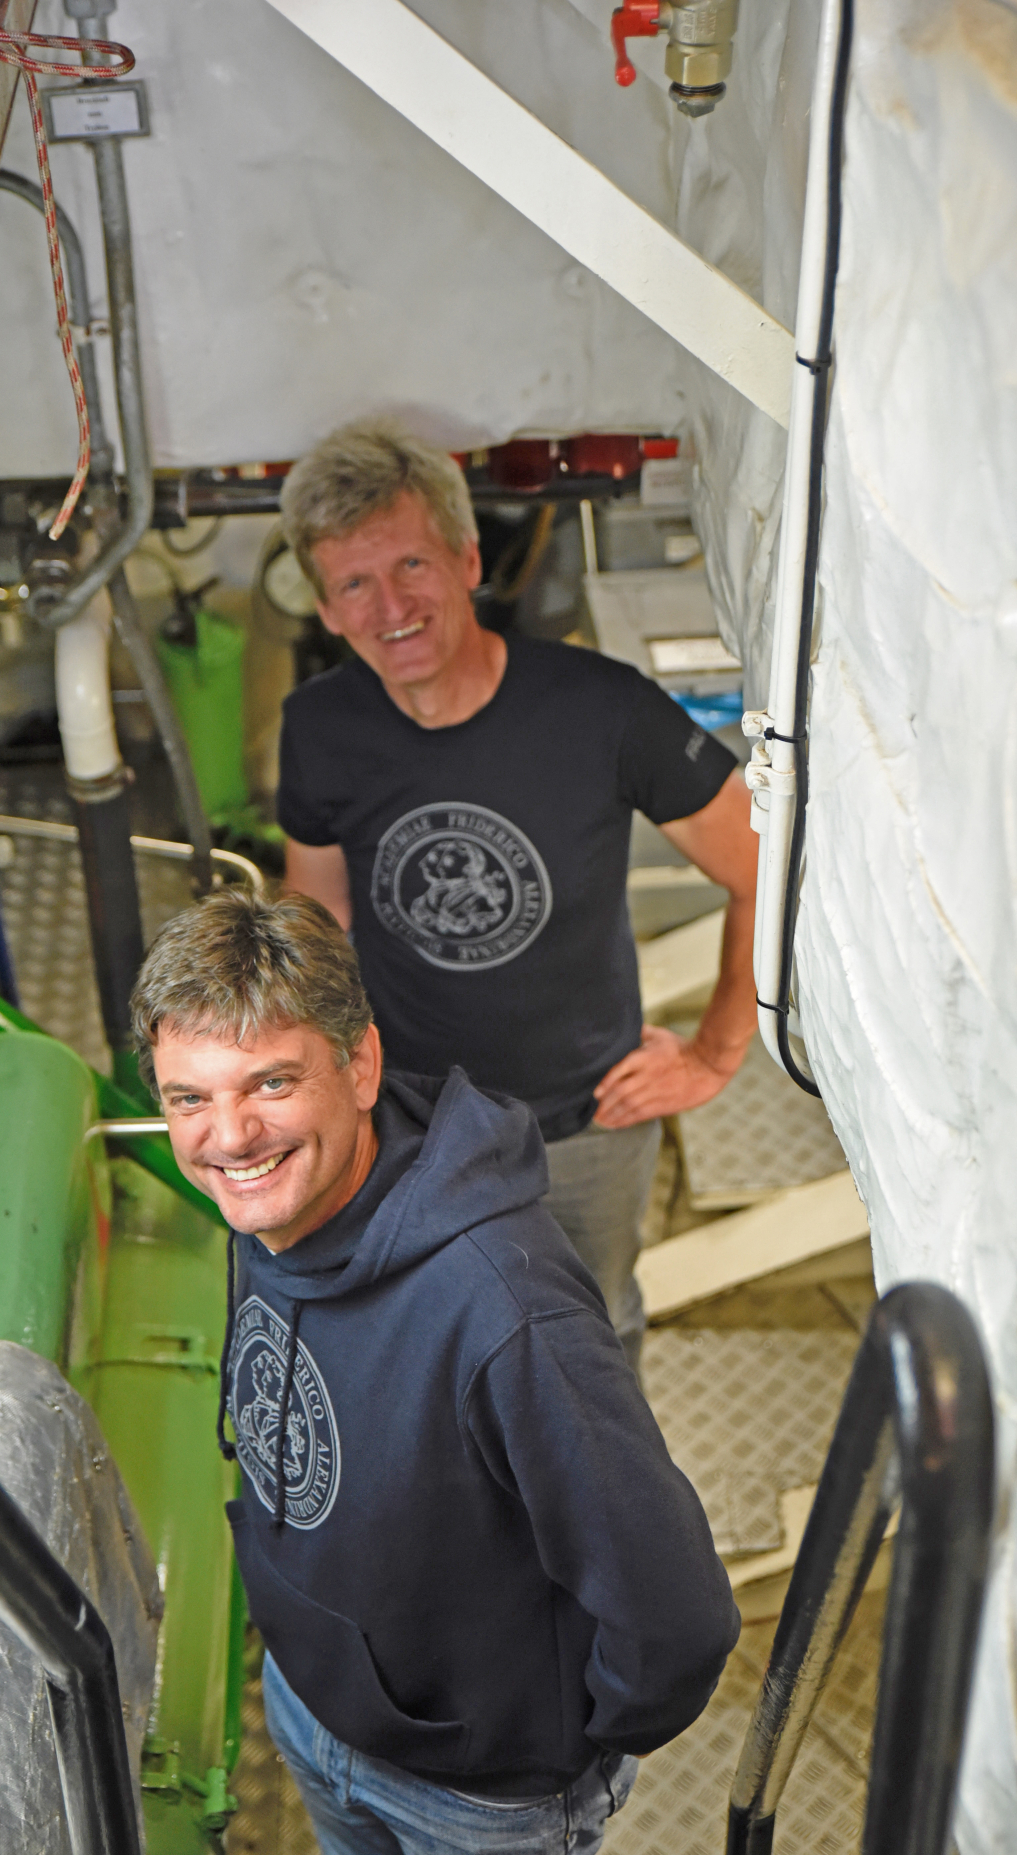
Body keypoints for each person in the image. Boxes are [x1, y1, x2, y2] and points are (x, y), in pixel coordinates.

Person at [131, 890, 740, 1855]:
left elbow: (677, 1616)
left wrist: (545, 1753)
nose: (230, 1135)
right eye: (191, 1097)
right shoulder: (266, 1204)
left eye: (271, 1082)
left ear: (361, 1065)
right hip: (319, 1705)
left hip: (480, 1785)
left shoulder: (502, 1305)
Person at [277, 423, 760, 1374]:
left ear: (467, 561)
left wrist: (714, 1052)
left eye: (411, 564)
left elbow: (760, 867)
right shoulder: (319, 727)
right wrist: (317, 1093)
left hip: (585, 1124)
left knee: (591, 1337)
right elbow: (318, 922)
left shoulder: (602, 707)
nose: (390, 607)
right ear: (328, 610)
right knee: (431, 1336)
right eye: (355, 584)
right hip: (409, 1124)